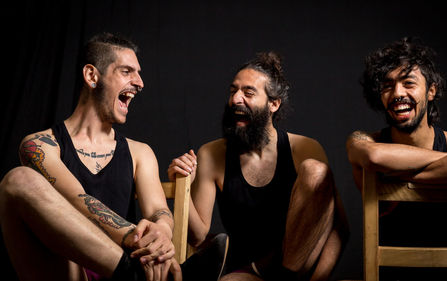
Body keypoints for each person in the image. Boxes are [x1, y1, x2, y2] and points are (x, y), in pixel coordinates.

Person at [0, 32, 225, 281]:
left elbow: (159, 211)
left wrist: (160, 233)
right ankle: (134, 274)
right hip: (68, 273)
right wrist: (138, 238)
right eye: (127, 71)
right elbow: (77, 200)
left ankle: (138, 273)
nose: (140, 83)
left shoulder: (140, 153)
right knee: (18, 180)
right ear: (92, 76)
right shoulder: (40, 145)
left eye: (139, 73)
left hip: (124, 266)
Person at [168, 52, 349, 281]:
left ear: (273, 104)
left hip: (297, 269)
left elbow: (339, 228)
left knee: (316, 171)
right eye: (233, 91)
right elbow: (197, 236)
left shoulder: (303, 149)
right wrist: (181, 185)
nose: (235, 99)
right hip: (246, 269)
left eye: (248, 92)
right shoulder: (212, 154)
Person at [346, 37, 447, 280]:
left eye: (408, 83)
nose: (397, 93)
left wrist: (401, 172)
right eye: (387, 86)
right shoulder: (365, 140)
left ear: (431, 91)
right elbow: (374, 156)